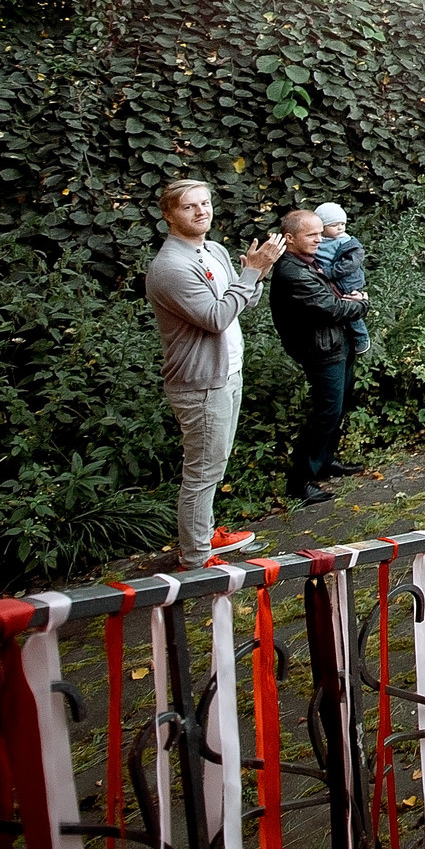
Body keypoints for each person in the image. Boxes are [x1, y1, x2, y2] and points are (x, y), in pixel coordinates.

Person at [146, 179, 282, 565]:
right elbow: (216, 317)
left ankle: (205, 535)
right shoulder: (171, 267)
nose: (201, 211)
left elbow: (243, 301)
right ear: (169, 214)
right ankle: (195, 558)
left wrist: (257, 272)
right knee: (202, 472)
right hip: (200, 383)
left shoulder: (215, 250)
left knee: (214, 463)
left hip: (227, 372)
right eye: (189, 207)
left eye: (204, 203)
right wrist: (252, 273)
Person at [272, 207, 371, 504]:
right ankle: (300, 481)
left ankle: (325, 461)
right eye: (311, 235)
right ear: (289, 238)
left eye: (320, 232)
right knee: (325, 412)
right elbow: (331, 308)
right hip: (321, 350)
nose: (319, 239)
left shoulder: (307, 261)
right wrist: (361, 304)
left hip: (334, 343)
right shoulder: (292, 271)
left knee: (337, 408)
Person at [314, 201, 370, 355]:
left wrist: (330, 272)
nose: (340, 228)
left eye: (342, 224)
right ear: (322, 227)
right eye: (334, 225)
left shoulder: (346, 242)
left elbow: (352, 264)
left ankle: (361, 338)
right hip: (331, 282)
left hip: (348, 281)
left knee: (350, 308)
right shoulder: (319, 240)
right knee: (336, 310)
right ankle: (345, 337)